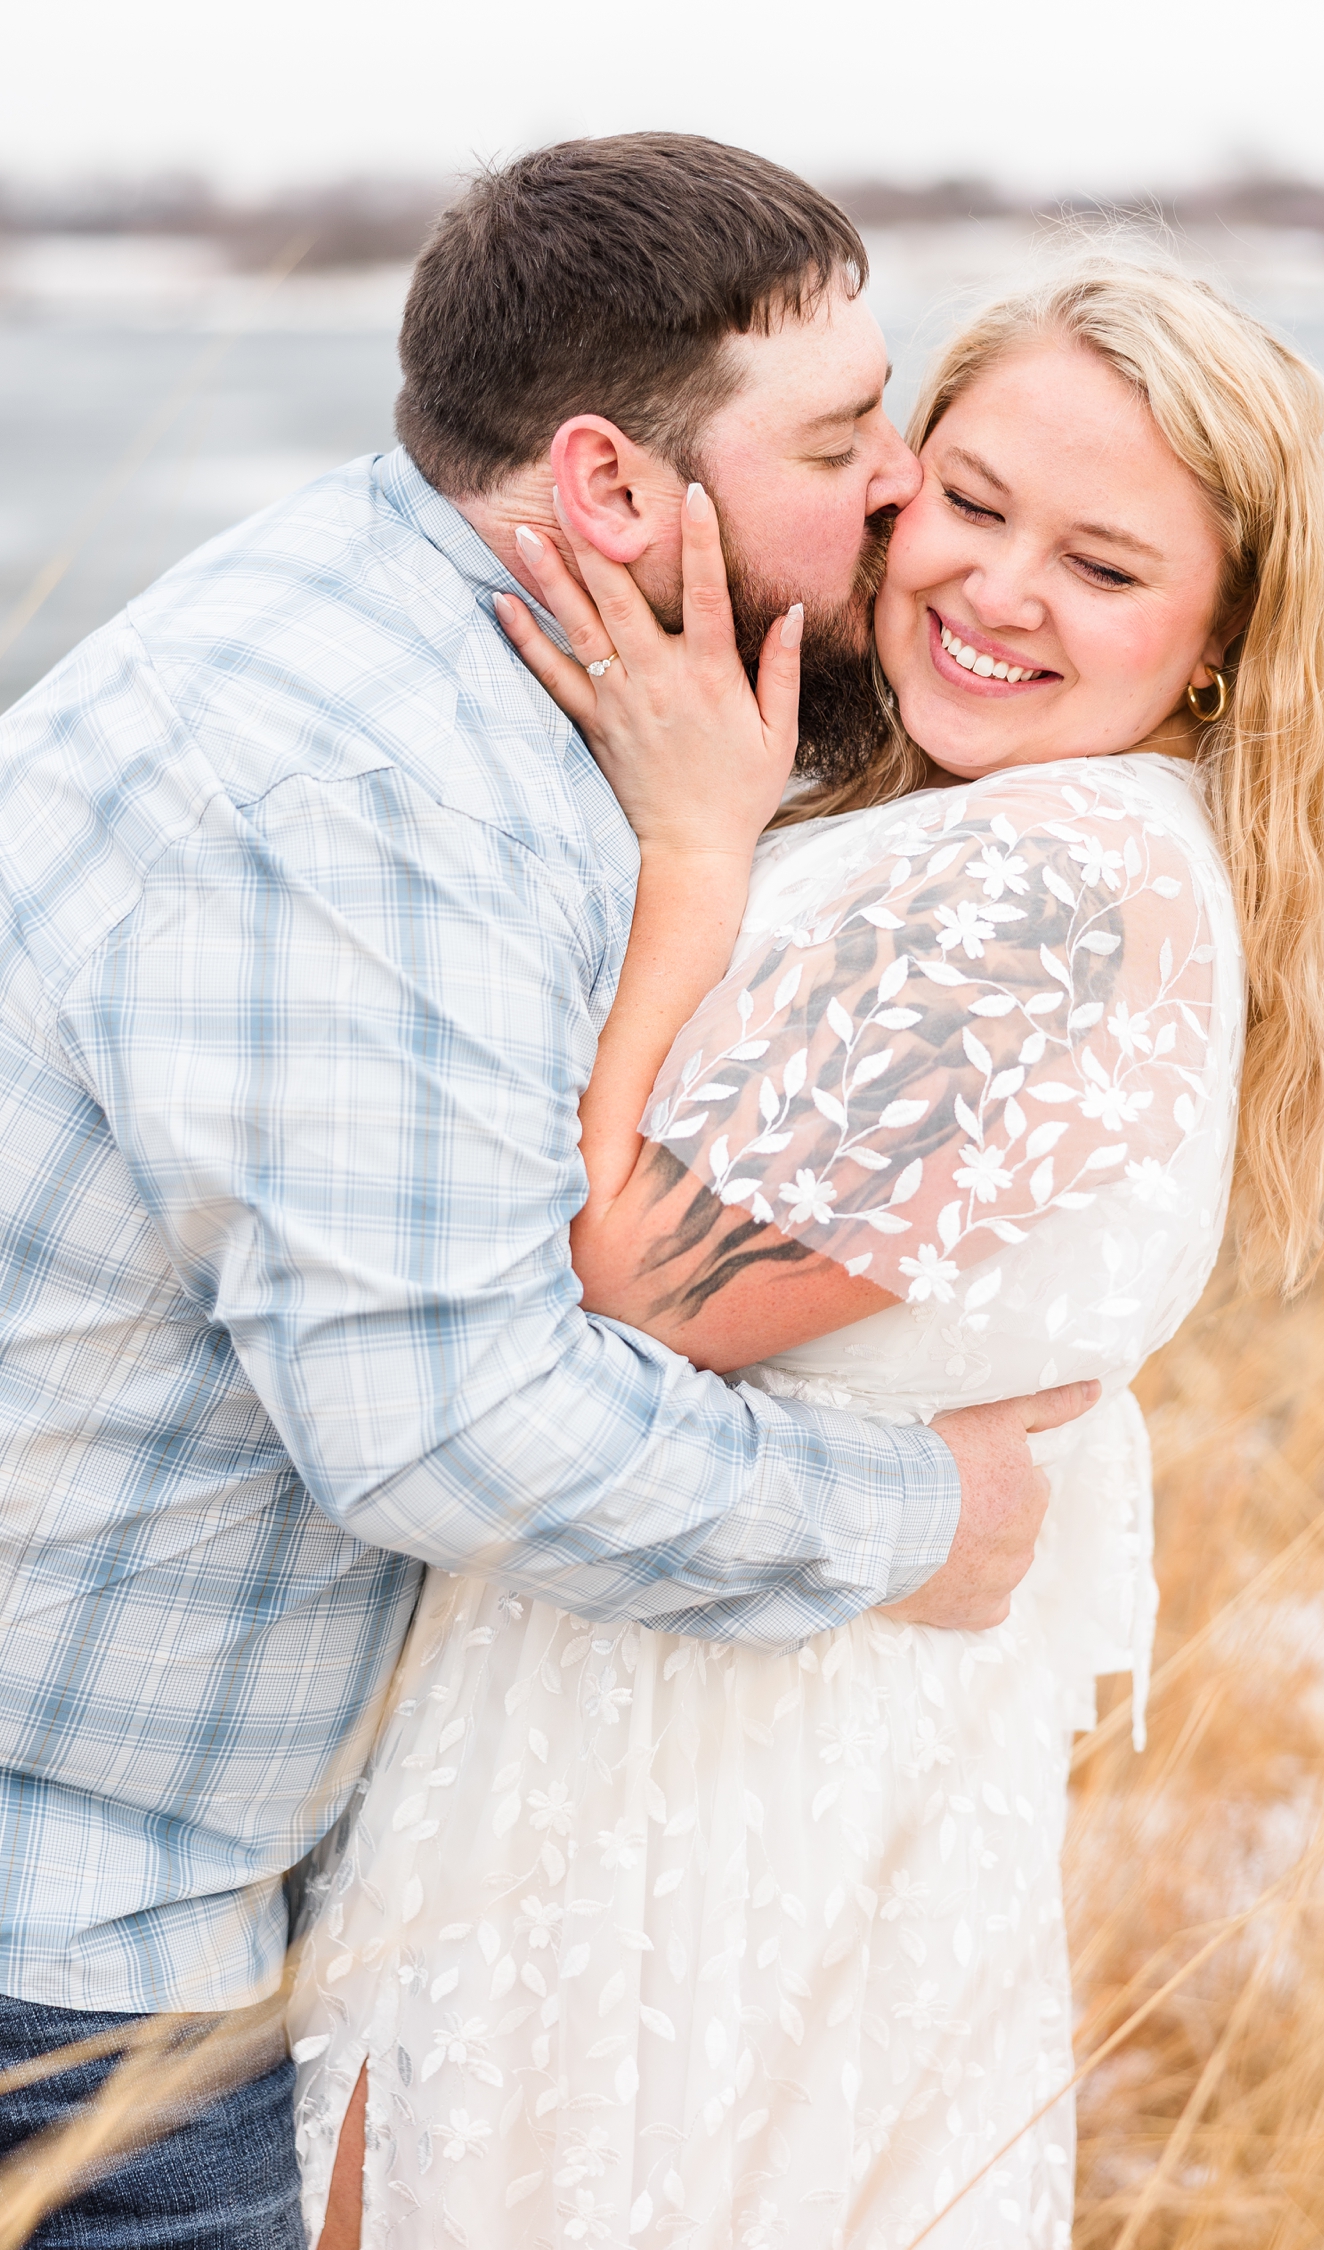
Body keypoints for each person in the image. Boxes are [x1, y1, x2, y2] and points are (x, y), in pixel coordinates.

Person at [0, 138, 1091, 2245]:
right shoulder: (356, 783)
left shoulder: (462, 646)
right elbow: (449, 1416)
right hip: (63, 1952)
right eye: (846, 438)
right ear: (606, 486)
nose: (898, 490)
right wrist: (928, 1520)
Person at [289, 261, 1324, 2247]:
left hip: (693, 1801)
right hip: (704, 1732)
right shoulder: (983, 824)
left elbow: (639, 1280)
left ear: (1222, 641)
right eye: (971, 501)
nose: (999, 589)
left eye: (1106, 565)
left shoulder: (1049, 877)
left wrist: (692, 847)